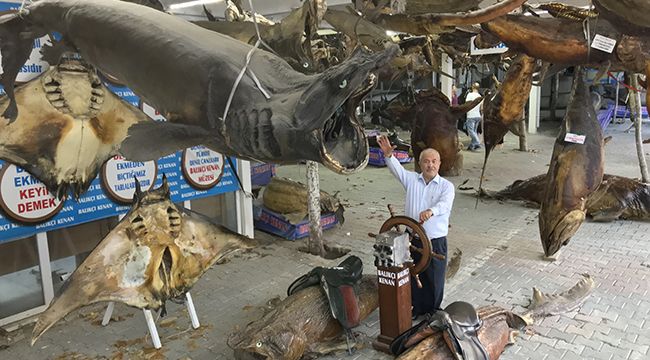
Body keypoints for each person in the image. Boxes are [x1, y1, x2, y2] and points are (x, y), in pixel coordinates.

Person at [377, 135, 455, 318]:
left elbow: (445, 205)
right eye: (426, 161)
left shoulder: (446, 186)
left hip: (435, 241)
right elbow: (398, 171)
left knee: (434, 279)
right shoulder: (412, 180)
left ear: (439, 163)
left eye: (434, 161)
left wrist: (431, 211)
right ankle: (416, 308)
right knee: (412, 275)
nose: (430, 165)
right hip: (412, 238)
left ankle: (433, 312)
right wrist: (389, 155)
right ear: (420, 164)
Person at [464, 82, 483, 151]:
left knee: (471, 131)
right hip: (478, 116)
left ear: (472, 87)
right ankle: (472, 146)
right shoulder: (480, 96)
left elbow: (467, 104)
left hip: (471, 115)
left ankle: (477, 142)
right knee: (474, 131)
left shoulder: (470, 95)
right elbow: (481, 108)